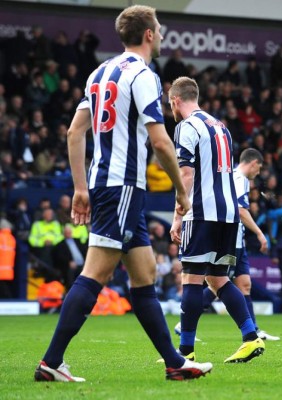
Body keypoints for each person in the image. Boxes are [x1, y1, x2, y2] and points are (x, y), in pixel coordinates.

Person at [34, 5, 212, 383]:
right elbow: (161, 143)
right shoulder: (143, 75)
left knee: (144, 273)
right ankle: (51, 361)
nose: (161, 36)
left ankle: (174, 363)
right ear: (149, 34)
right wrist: (182, 193)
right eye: (159, 30)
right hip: (124, 185)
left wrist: (81, 187)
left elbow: (73, 133)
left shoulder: (99, 73)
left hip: (106, 184)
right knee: (95, 271)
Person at [169, 76, 265, 364]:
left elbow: (187, 175)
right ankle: (250, 337)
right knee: (219, 278)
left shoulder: (185, 127)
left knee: (191, 280)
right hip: (228, 215)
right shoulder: (221, 127)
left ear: (175, 101)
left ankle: (185, 352)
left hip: (201, 213)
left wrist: (177, 217)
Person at [201, 148, 280, 341]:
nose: (258, 173)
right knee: (217, 284)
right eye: (259, 168)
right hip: (230, 239)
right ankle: (185, 321)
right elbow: (241, 210)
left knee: (244, 285)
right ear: (253, 163)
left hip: (238, 239)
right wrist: (260, 233)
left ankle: (254, 329)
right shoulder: (239, 178)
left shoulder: (235, 177)